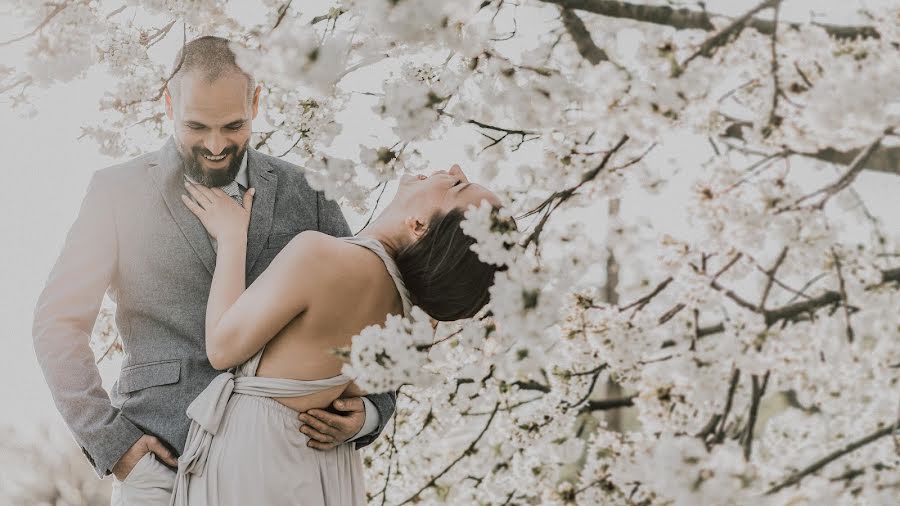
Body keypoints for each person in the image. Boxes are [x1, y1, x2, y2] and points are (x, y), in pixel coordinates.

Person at [32, 36, 396, 506]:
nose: (216, 145)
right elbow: (57, 324)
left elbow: (367, 314)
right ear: (168, 104)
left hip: (284, 468)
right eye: (196, 126)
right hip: (163, 462)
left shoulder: (310, 192)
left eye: (233, 126)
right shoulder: (115, 193)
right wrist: (112, 443)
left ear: (257, 102)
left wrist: (370, 412)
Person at [171, 162, 503, 505]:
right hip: (326, 469)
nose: (454, 169)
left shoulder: (324, 256)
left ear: (418, 224)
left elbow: (222, 348)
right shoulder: (413, 326)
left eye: (458, 187)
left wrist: (230, 236)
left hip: (258, 458)